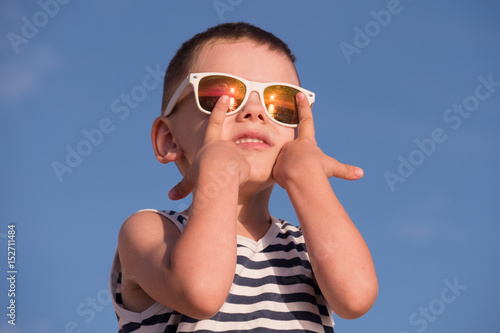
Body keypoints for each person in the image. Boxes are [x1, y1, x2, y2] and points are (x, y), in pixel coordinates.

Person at [109, 22, 378, 332]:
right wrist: (219, 172)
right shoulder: (149, 230)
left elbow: (355, 298)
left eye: (281, 103)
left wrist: (307, 179)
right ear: (169, 139)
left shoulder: (308, 246)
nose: (255, 110)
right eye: (222, 93)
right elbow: (201, 292)